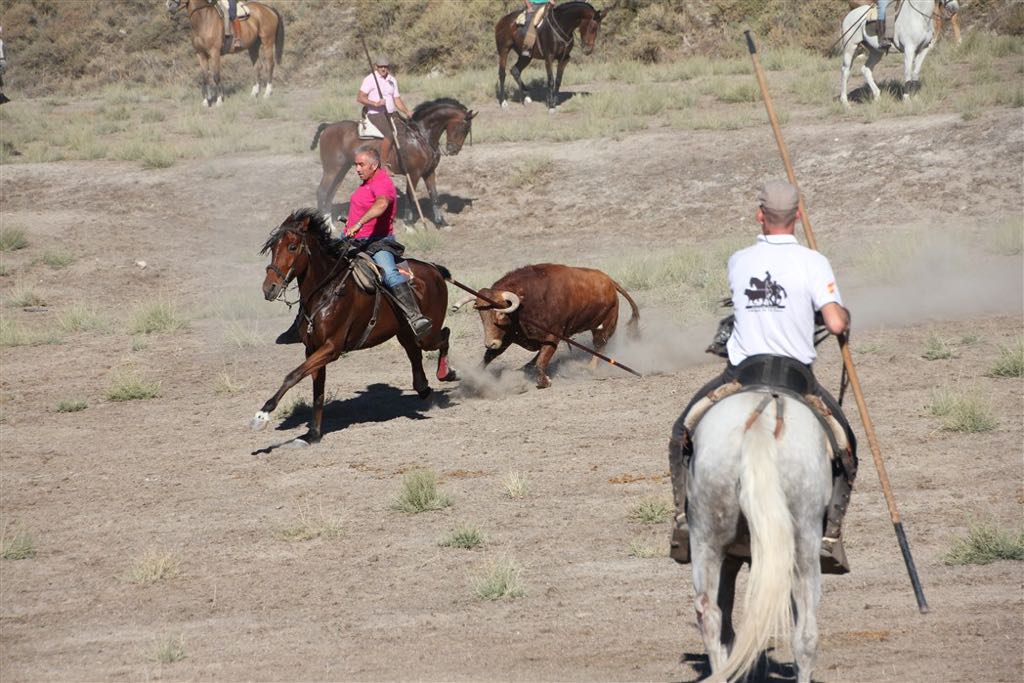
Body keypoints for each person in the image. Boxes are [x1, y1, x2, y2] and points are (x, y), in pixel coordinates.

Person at [668, 180, 858, 575]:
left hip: (742, 374)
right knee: (846, 447)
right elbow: (837, 324)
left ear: (759, 216)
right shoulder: (813, 261)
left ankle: (684, 520)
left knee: (681, 432)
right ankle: (830, 534)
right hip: (796, 379)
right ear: (798, 216)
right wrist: (833, 308)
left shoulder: (739, 260)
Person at [276, 146, 431, 345]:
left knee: (390, 274)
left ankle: (414, 316)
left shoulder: (383, 182)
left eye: (361, 164)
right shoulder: (365, 184)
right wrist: (350, 221)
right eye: (356, 164)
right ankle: (300, 325)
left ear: (374, 165)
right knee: (320, 271)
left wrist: (359, 223)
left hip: (378, 243)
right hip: (353, 241)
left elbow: (381, 205)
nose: (357, 169)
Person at [356, 55, 413, 172]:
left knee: (406, 132)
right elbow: (360, 98)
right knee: (390, 134)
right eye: (380, 67)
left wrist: (407, 111)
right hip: (376, 114)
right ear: (376, 67)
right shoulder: (370, 79)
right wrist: (375, 103)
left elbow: (397, 99)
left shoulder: (392, 80)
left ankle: (401, 160)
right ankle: (383, 164)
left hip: (391, 113)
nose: (383, 69)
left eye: (385, 67)